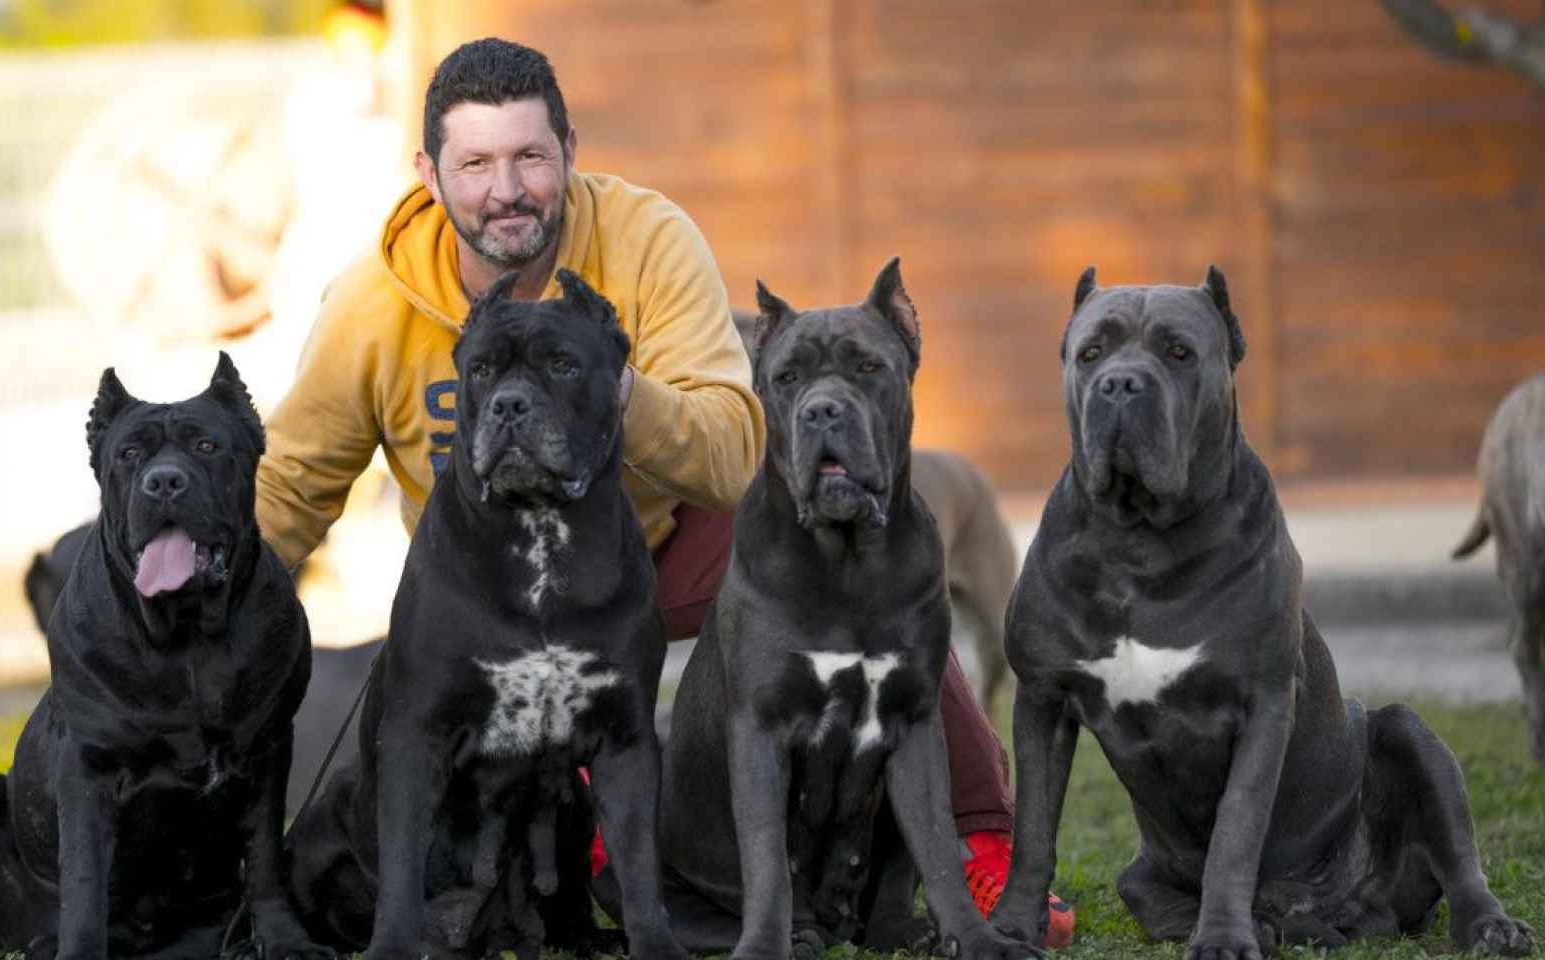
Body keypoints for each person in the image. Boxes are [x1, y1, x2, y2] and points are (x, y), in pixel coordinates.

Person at [253, 35, 1072, 948]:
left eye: (530, 156)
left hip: (660, 540)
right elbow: (291, 485)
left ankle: (976, 835)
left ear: (570, 149)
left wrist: (600, 379)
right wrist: (221, 612)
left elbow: (731, 446)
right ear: (430, 173)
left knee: (868, 564)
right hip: (483, 578)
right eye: (475, 163)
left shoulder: (648, 239)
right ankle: (610, 839)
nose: (507, 188)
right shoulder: (371, 306)